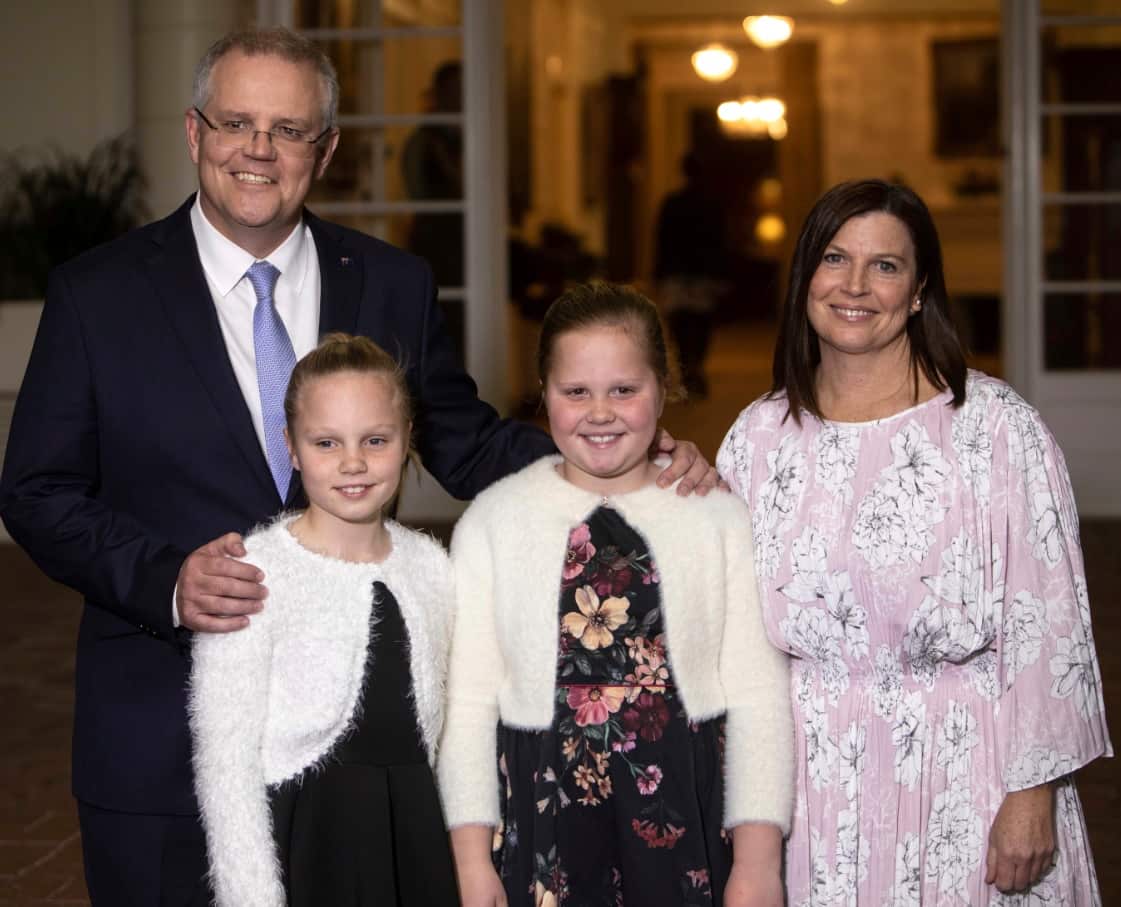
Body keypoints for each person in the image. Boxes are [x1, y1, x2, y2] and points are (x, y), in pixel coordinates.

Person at [0, 27, 714, 905]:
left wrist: (621, 460)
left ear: (325, 148)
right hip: (162, 725)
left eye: (289, 130)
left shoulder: (391, 283)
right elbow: (37, 489)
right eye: (236, 123)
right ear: (195, 134)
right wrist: (165, 582)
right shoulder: (96, 293)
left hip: (360, 747)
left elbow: (466, 441)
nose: (258, 151)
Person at [716, 179, 1112, 905]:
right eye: (834, 259)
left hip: (965, 777)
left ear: (920, 289)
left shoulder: (993, 429)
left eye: (885, 266)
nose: (855, 286)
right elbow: (723, 624)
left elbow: (1045, 622)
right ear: (804, 275)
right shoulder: (757, 436)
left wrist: (1032, 794)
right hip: (808, 788)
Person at [439, 282, 794, 907]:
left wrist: (759, 860)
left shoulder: (717, 517)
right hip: (545, 818)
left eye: (624, 390)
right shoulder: (494, 522)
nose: (599, 412)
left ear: (664, 389)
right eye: (575, 391)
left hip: (683, 812)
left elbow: (757, 696)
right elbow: (467, 707)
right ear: (543, 394)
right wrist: (471, 860)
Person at [189, 333, 458, 906]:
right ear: (290, 446)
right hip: (308, 842)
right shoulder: (253, 573)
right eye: (327, 442)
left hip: (414, 837)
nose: (353, 463)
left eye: (376, 440)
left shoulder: (433, 567)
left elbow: (451, 727)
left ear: (408, 440)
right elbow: (224, 760)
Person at [653, 151, 728, 398]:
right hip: (703, 273)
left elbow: (662, 241)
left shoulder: (672, 203)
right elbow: (721, 243)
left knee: (680, 323)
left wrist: (659, 273)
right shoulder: (713, 203)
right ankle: (695, 366)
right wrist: (721, 274)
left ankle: (689, 368)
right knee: (701, 323)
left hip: (677, 272)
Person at [402, 60, 464, 289]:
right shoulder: (424, 142)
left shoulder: (469, 139)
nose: (459, 99)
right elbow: (417, 193)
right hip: (435, 243)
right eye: (454, 91)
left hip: (466, 242)